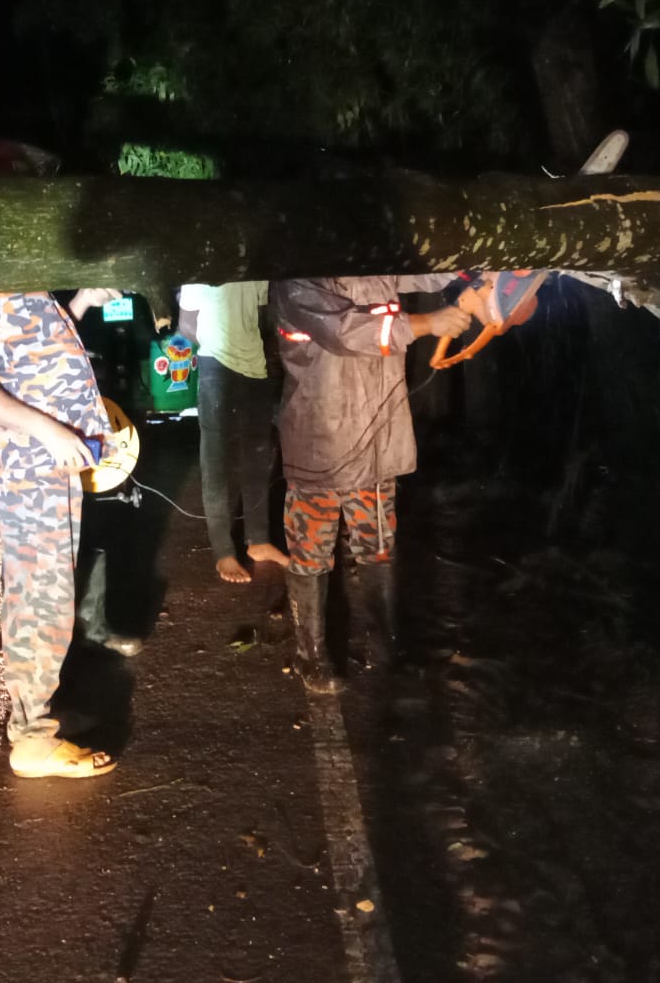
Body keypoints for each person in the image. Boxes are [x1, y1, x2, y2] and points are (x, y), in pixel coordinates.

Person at [0, 287, 123, 779]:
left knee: (46, 593)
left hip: (50, 466)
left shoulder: (18, 276)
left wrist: (81, 303)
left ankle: (37, 715)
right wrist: (47, 430)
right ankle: (33, 737)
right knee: (40, 596)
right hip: (30, 467)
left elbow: (27, 348)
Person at [270, 276, 483, 691]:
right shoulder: (296, 279)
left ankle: (385, 649)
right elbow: (346, 330)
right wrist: (428, 323)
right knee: (311, 552)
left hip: (376, 441)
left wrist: (475, 272)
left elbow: (427, 271)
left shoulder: (371, 266)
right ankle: (310, 654)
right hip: (321, 440)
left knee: (379, 545)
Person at [178, 281, 290, 583]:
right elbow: (187, 326)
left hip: (255, 366)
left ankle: (259, 541)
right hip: (215, 366)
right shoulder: (199, 272)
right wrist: (221, 342)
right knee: (216, 462)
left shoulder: (254, 268)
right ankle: (223, 552)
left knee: (257, 458)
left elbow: (261, 317)